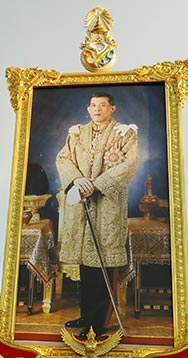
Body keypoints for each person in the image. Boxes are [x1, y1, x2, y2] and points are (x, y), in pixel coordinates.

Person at [56, 92, 138, 337]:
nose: (97, 109)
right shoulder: (77, 133)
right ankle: (87, 315)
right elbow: (63, 158)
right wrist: (77, 180)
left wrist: (98, 184)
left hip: (107, 206)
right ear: (88, 108)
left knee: (103, 263)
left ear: (112, 108)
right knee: (86, 265)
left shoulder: (124, 133)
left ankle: (99, 323)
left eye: (102, 105)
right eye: (93, 105)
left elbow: (129, 164)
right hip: (82, 203)